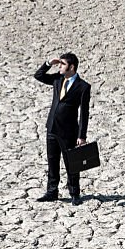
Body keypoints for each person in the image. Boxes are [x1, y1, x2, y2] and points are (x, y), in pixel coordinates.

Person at [33, 52, 90, 206]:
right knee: (52, 162)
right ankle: (52, 192)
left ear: (72, 67)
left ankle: (75, 193)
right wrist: (48, 63)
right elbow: (38, 76)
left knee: (72, 163)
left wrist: (81, 135)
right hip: (51, 128)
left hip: (68, 132)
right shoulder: (58, 79)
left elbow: (84, 113)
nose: (59, 66)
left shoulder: (83, 87)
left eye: (62, 64)